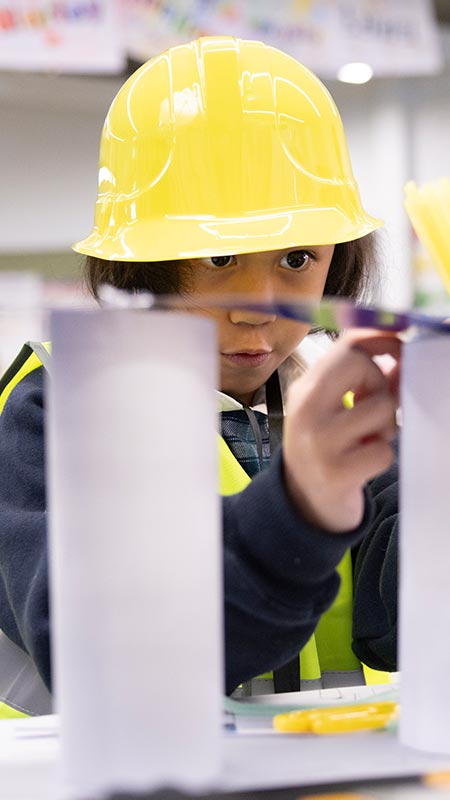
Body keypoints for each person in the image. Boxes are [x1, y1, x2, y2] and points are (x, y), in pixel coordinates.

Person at [0, 35, 400, 716]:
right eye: (217, 259)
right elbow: (98, 652)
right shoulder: (54, 411)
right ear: (137, 264)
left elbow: (397, 627)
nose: (255, 309)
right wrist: (298, 512)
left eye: (298, 257)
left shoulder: (352, 399)